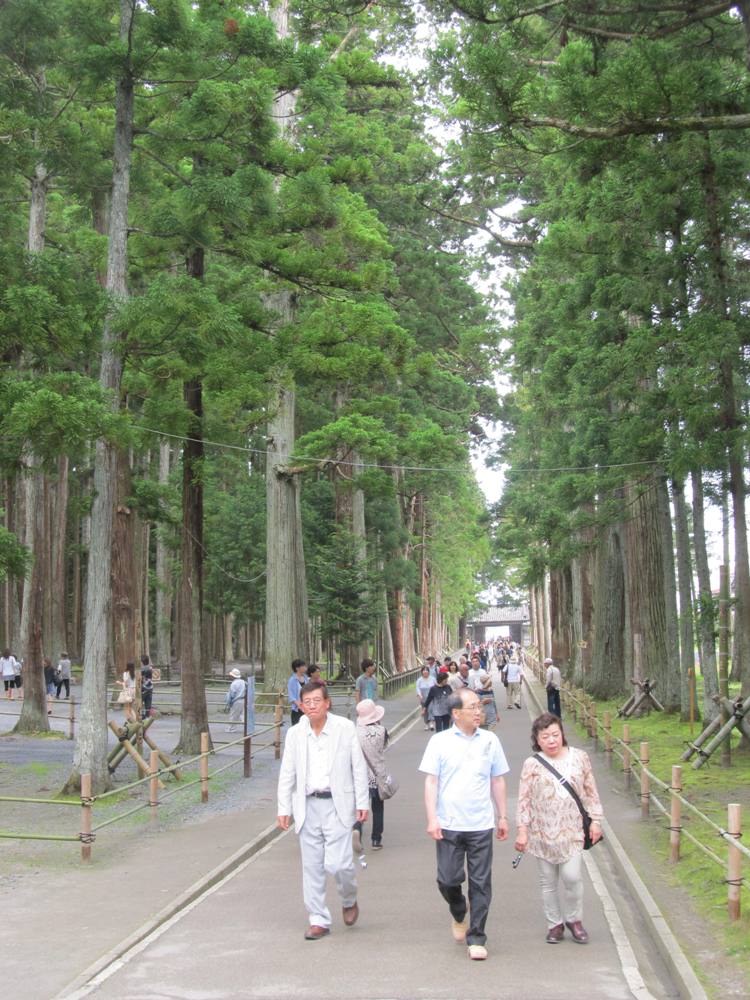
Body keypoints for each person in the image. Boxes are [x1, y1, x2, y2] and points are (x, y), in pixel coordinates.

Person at [419, 687, 510, 961]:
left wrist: (502, 816)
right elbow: (431, 781)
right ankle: (459, 909)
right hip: (449, 823)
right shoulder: (440, 742)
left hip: (480, 823)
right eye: (472, 707)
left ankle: (477, 936)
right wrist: (432, 818)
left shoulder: (490, 741)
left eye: (478, 707)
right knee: (447, 879)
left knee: (481, 882)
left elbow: (497, 779)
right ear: (456, 713)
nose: (478, 711)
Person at [277, 681, 369, 940]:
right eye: (307, 701)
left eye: (317, 700)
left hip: (337, 805)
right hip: (307, 805)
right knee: (312, 866)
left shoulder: (344, 728)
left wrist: (362, 802)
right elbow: (288, 773)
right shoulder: (296, 733)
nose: (312, 705)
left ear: (327, 703)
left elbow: (358, 767)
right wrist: (284, 807)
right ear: (301, 705)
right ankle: (318, 918)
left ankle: (349, 898)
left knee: (339, 864)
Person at [515, 713, 604, 945]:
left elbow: (591, 791)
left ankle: (575, 920)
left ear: (562, 734)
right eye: (545, 737)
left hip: (572, 830)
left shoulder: (580, 758)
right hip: (542, 831)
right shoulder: (532, 764)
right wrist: (522, 830)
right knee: (548, 881)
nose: (551, 740)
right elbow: (523, 799)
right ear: (537, 739)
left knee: (572, 877)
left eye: (555, 735)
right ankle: (554, 924)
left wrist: (596, 820)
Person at [352, 698, 389, 852]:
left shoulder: (354, 733)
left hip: (359, 776)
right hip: (377, 774)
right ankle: (376, 839)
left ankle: (357, 828)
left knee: (360, 805)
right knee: (378, 807)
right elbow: (383, 748)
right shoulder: (382, 731)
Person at [288, 658, 308, 726]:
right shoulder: (292, 680)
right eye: (303, 666)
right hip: (297, 709)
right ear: (297, 668)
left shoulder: (306, 678)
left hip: (307, 707)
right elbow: (291, 696)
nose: (305, 667)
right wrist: (299, 704)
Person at [225, 667, 245, 732]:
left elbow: (232, 694)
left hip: (236, 700)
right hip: (244, 699)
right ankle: (247, 727)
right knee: (242, 714)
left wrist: (229, 702)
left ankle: (231, 728)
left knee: (234, 715)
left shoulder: (234, 684)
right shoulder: (243, 682)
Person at [140, 654, 154, 719]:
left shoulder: (143, 669)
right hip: (150, 687)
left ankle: (142, 716)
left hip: (144, 688)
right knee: (148, 703)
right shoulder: (150, 667)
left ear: (142, 662)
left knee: (140, 702)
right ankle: (147, 717)